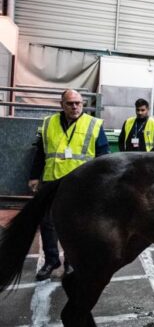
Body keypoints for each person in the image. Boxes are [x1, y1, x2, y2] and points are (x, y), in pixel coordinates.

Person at [28, 89, 110, 280]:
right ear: (61, 105)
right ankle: (51, 261)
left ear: (83, 104)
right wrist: (34, 176)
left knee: (77, 225)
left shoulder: (93, 124)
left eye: (78, 103)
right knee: (48, 223)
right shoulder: (49, 123)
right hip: (51, 181)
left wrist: (102, 185)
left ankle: (71, 262)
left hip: (81, 185)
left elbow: (103, 157)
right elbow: (40, 153)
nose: (75, 107)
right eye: (70, 103)